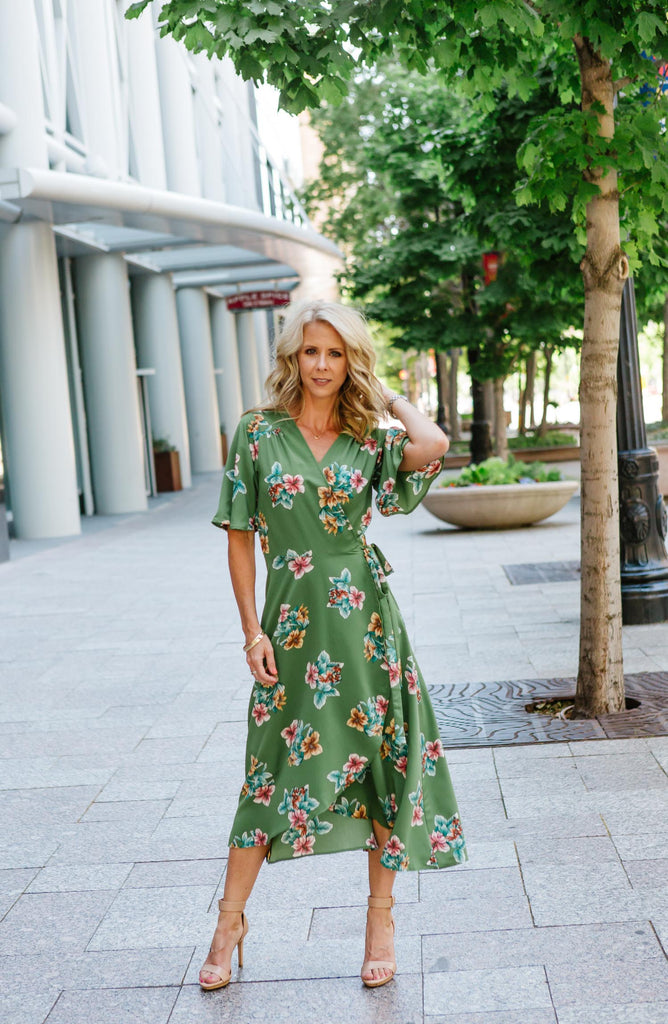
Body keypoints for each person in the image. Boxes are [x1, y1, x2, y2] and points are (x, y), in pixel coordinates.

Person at [200, 299, 466, 992]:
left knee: (380, 769)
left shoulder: (369, 437)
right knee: (268, 773)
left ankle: (381, 920)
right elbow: (237, 534)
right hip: (289, 626)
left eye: (336, 354)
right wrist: (250, 631)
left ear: (351, 361)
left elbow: (433, 448)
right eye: (312, 352)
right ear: (293, 358)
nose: (322, 366)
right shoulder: (257, 434)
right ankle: (228, 923)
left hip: (366, 628)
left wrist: (388, 396)